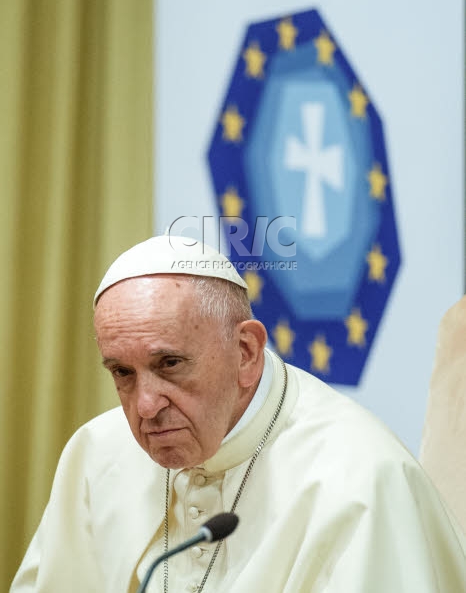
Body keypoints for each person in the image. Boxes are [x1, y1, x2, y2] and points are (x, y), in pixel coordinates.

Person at [11, 235, 466, 592]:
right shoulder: (97, 453)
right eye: (122, 372)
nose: (145, 406)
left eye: (169, 364)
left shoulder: (361, 481)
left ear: (246, 352)